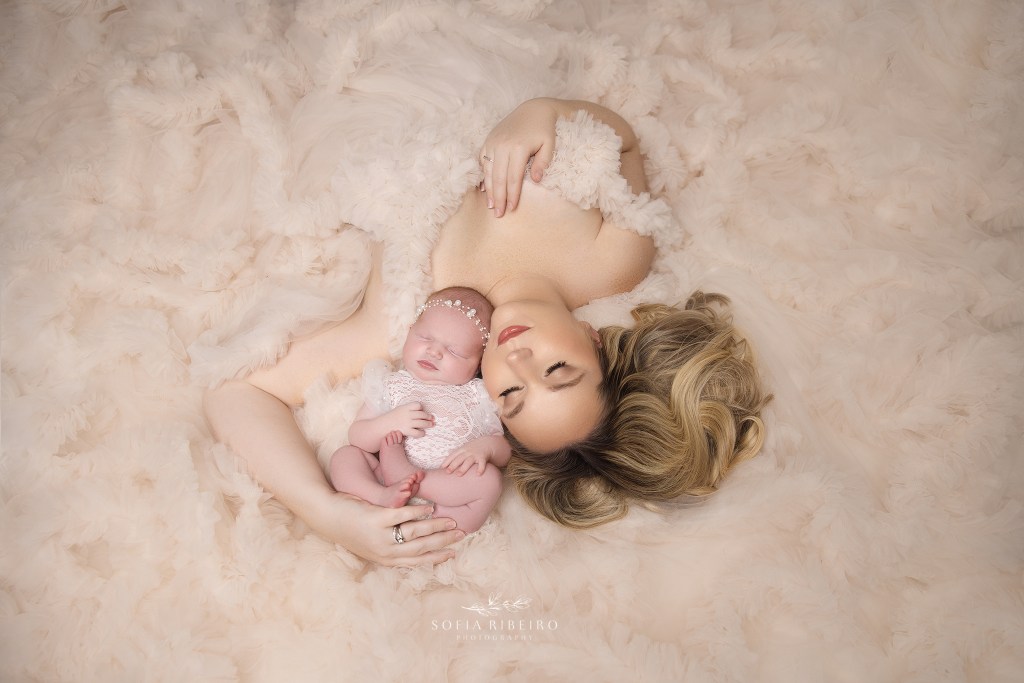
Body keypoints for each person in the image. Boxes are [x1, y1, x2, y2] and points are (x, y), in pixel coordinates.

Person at [204, 97, 768, 567]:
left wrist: (325, 512)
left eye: (512, 395)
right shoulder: (613, 263)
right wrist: (537, 112)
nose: (517, 359)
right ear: (596, 342)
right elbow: (621, 143)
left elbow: (237, 394)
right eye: (556, 370)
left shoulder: (412, 322)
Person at [328, 287, 510, 534]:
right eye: (425, 338)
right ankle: (380, 496)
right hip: (386, 481)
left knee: (490, 481)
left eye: (454, 351)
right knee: (344, 457)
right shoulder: (392, 384)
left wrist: (486, 447)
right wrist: (389, 422)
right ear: (409, 332)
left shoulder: (478, 396)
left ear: (478, 364)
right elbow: (357, 436)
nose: (434, 352)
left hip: (448, 493)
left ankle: (438, 517)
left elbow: (504, 452)